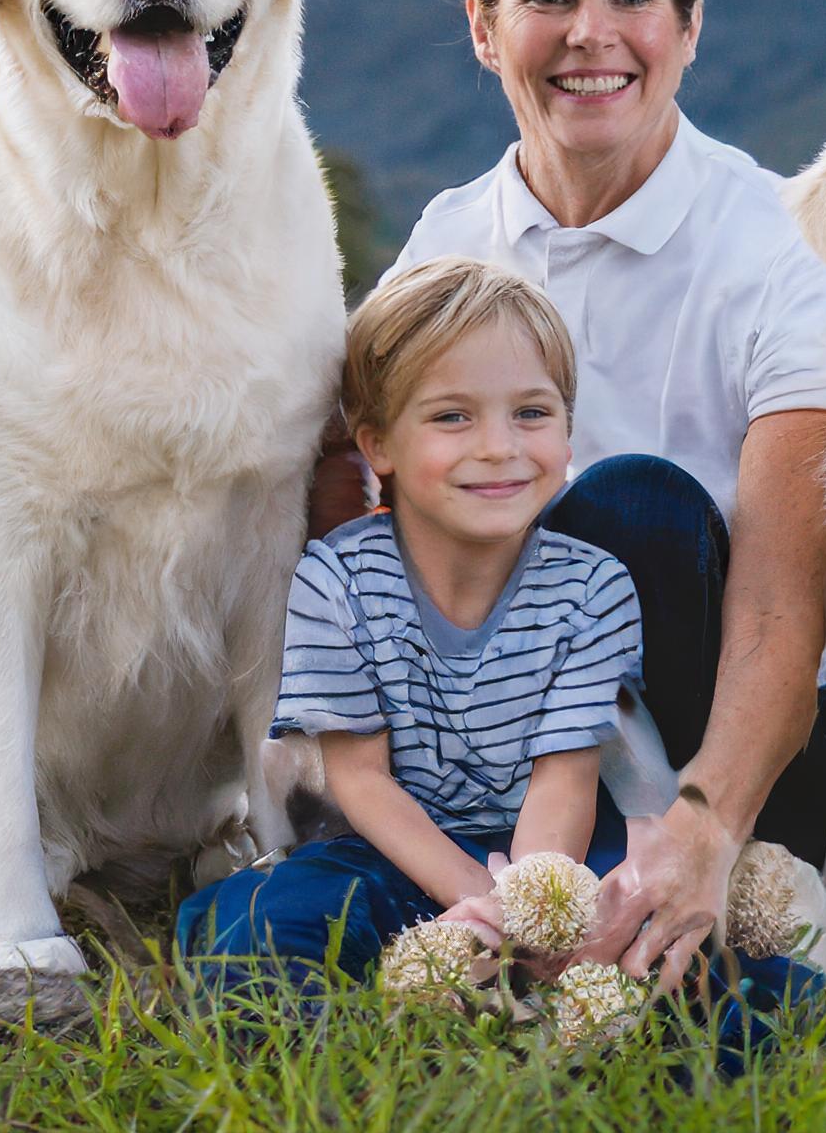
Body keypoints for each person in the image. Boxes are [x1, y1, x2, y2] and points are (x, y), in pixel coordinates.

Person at [325, 0, 826, 991]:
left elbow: (779, 602)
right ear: (481, 24)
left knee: (634, 504)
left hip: (730, 738)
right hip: (510, 738)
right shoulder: (446, 242)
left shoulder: (782, 254)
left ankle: (666, 886)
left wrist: (706, 822)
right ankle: (505, 896)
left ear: (689, 23)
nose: (590, 34)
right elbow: (371, 521)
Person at [178, 256, 643, 980]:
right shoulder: (337, 582)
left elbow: (565, 779)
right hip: (389, 845)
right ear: (379, 445)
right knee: (254, 925)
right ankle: (381, 1015)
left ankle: (553, 995)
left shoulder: (594, 589)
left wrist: (529, 913)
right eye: (452, 416)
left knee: (645, 917)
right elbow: (361, 781)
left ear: (567, 429)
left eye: (532, 412)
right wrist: (474, 897)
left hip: (556, 848)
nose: (499, 447)